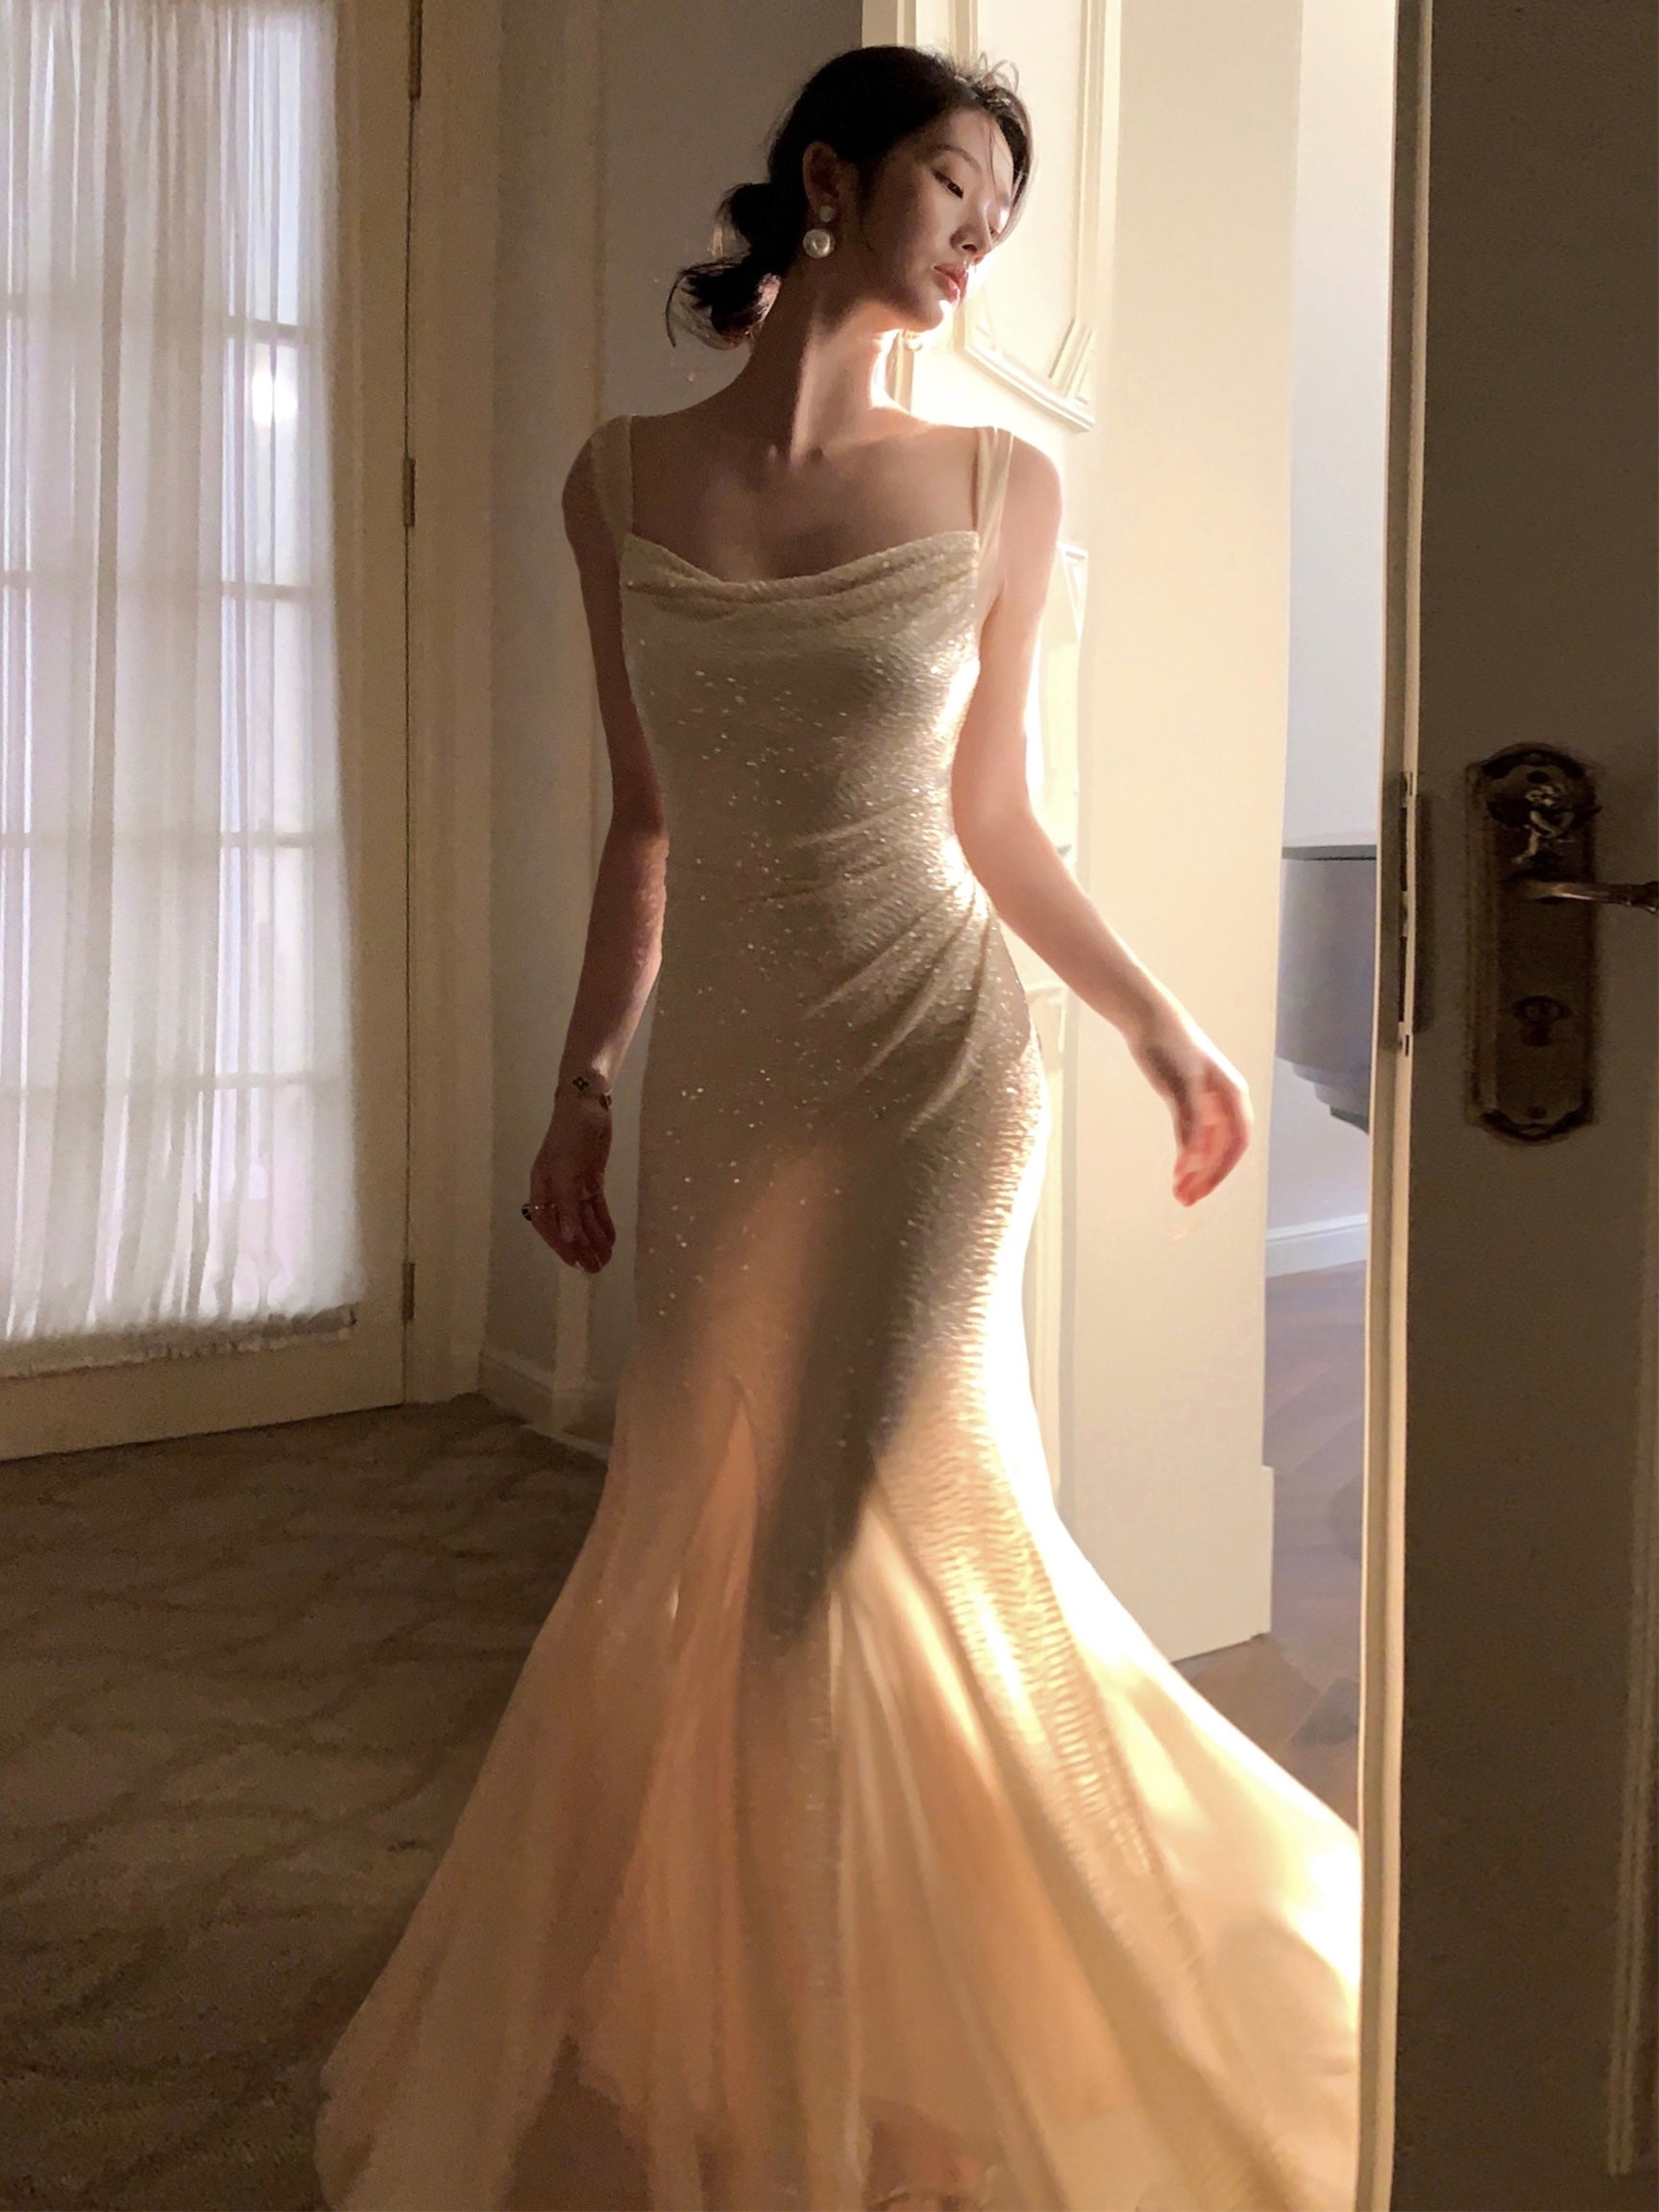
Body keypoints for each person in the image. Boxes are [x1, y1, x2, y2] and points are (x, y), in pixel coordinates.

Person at [315, 44, 1362, 2212]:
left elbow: (998, 824)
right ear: (830, 176)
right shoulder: (618, 481)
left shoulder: (999, 490)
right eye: (959, 186)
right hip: (724, 1074)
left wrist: (1163, 1027)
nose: (984, 238)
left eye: (1006, 214)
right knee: (691, 1523)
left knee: (820, 1556)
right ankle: (769, 2020)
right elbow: (642, 827)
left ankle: (847, 2082)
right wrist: (584, 1086)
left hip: (931, 1075)